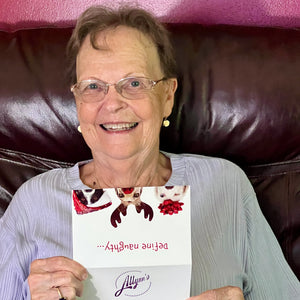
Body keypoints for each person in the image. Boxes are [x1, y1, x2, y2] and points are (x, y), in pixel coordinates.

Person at [0, 5, 299, 300]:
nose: (112, 103)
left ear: (167, 96)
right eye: (93, 86)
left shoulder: (226, 186)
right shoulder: (33, 203)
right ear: (77, 102)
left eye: (133, 83)